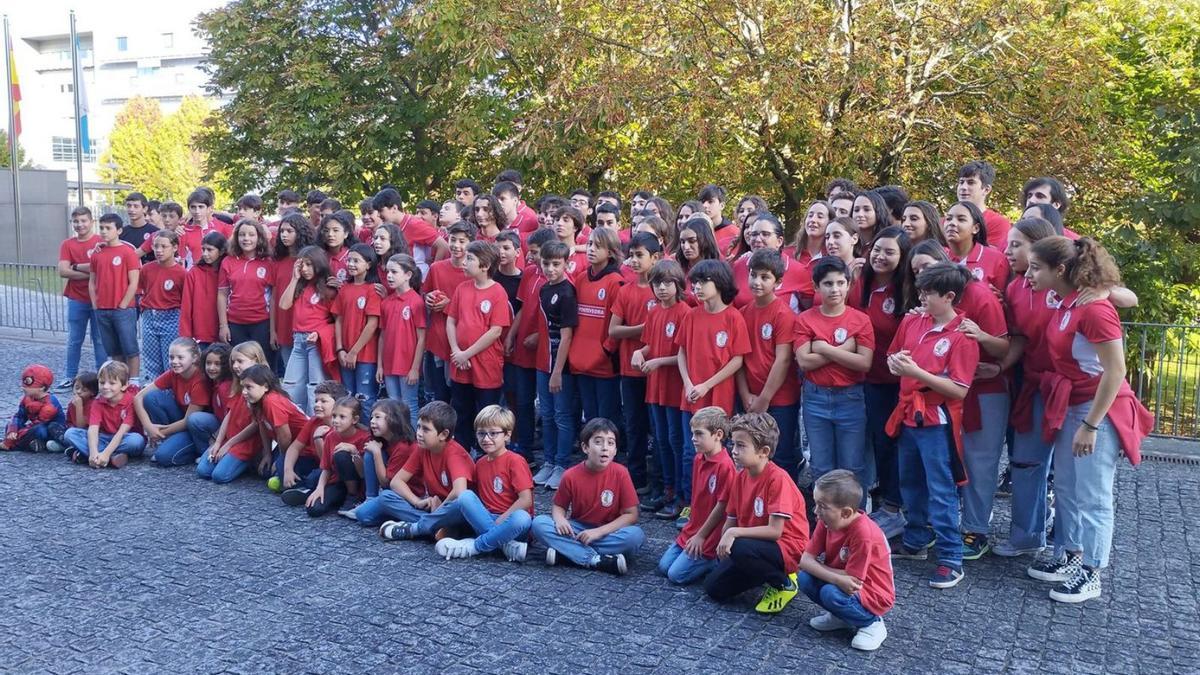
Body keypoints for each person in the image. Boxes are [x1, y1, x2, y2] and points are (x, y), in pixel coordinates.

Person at [1024, 236, 1153, 603]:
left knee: (1093, 494)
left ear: (1060, 270)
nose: (1029, 273)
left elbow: (1116, 371)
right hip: (1072, 403)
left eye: (1036, 267)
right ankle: (1072, 554)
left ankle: (1092, 571)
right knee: (1066, 486)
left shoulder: (1094, 309)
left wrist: (1091, 424)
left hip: (1098, 408)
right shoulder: (1065, 300)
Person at [886, 263, 979, 589]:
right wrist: (895, 364)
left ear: (949, 297)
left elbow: (959, 389)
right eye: (920, 290)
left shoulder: (962, 337)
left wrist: (917, 373)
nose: (921, 296)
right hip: (909, 415)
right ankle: (915, 539)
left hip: (937, 422)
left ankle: (951, 557)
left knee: (941, 490)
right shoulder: (913, 320)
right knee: (909, 482)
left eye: (928, 292)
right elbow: (893, 354)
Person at [703, 413, 809, 613]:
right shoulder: (741, 477)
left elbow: (775, 531)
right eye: (733, 444)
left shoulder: (778, 479)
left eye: (741, 446)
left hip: (786, 548)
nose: (733, 451)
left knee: (740, 547)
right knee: (714, 588)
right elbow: (731, 518)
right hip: (755, 546)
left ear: (764, 451)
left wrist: (732, 535)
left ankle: (785, 581)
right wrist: (724, 546)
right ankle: (762, 573)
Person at [675, 259, 750, 528]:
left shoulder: (733, 317)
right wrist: (686, 382)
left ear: (718, 283)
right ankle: (690, 505)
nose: (696, 287)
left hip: (717, 398)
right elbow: (681, 351)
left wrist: (706, 384)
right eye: (693, 282)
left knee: (717, 453)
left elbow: (737, 359)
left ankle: (718, 508)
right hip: (691, 395)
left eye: (702, 282)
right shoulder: (691, 315)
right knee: (689, 452)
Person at [850, 227, 912, 538]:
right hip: (865, 378)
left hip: (897, 383)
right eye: (876, 249)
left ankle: (894, 509)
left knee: (892, 445)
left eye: (889, 251)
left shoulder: (907, 290)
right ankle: (881, 505)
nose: (880, 256)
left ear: (902, 258)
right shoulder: (861, 282)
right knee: (876, 444)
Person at [795, 257, 874, 493]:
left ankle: (855, 522)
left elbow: (864, 363)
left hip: (850, 397)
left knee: (852, 466)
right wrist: (845, 348)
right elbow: (805, 361)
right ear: (817, 287)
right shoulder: (805, 319)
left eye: (841, 283)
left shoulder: (861, 320)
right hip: (815, 398)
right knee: (821, 465)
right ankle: (824, 523)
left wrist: (823, 347)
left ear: (849, 285)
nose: (835, 289)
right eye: (828, 284)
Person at [530, 417, 646, 575]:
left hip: (608, 531)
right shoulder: (571, 475)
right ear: (585, 447)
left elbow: (631, 515)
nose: (605, 448)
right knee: (539, 523)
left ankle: (566, 553)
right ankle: (596, 559)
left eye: (610, 443)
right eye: (598, 442)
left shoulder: (621, 473)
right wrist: (560, 520)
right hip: (578, 529)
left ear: (615, 450)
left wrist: (598, 532)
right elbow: (559, 507)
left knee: (635, 536)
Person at [799, 470, 894, 652]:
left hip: (873, 592)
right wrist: (836, 577)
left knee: (830, 593)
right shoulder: (826, 521)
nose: (815, 511)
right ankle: (840, 616)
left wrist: (820, 569)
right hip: (842, 583)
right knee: (804, 579)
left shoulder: (863, 532)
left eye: (822, 506)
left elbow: (852, 580)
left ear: (846, 512)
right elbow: (804, 560)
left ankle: (872, 624)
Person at [434, 405, 535, 562]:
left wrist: (500, 521)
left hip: (510, 523)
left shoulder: (516, 461)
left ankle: (474, 546)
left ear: (507, 435)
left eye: (493, 433)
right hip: (486, 518)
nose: (486, 439)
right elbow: (475, 500)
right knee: (466, 496)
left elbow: (526, 500)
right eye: (481, 433)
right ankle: (504, 545)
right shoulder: (480, 463)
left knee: (522, 518)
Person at [563, 228, 625, 477]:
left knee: (607, 418)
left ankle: (611, 467)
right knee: (589, 416)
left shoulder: (615, 282)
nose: (590, 250)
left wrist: (605, 352)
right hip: (581, 362)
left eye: (597, 246)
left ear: (610, 252)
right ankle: (590, 463)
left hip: (604, 365)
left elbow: (615, 325)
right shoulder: (579, 278)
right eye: (589, 244)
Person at [736, 249, 801, 479]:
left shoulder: (783, 314)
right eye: (753, 275)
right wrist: (745, 395)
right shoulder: (743, 313)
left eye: (765, 277)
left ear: (778, 282)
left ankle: (787, 509)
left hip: (780, 398)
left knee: (780, 456)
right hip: (751, 397)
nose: (756, 281)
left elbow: (783, 360)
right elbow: (739, 358)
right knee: (753, 455)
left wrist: (764, 398)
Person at [371, 401, 476, 539]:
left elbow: (460, 492)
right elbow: (396, 482)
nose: (419, 433)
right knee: (386, 497)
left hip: (457, 509)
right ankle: (438, 527)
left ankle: (424, 527)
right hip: (434, 506)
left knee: (459, 505)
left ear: (443, 434)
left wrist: (441, 508)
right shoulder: (422, 448)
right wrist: (417, 502)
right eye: (418, 427)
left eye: (425, 429)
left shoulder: (454, 453)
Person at [634, 260, 690, 517]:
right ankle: (667, 488)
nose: (662, 288)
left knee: (675, 440)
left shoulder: (684, 312)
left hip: (674, 388)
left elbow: (683, 354)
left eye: (668, 283)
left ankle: (681, 494)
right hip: (654, 387)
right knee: (661, 440)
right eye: (657, 283)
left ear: (678, 285)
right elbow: (650, 344)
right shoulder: (654, 311)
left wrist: (658, 360)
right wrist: (639, 352)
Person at [447, 240, 512, 451]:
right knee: (461, 411)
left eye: (470, 259)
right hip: (460, 362)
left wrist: (467, 353)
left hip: (485, 363)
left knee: (486, 413)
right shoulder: (462, 288)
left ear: (484, 266)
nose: (464, 263)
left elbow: (495, 331)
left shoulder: (497, 292)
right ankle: (463, 452)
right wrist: (457, 351)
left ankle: (486, 454)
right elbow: (451, 320)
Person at [657, 407, 735, 584]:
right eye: (693, 433)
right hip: (693, 529)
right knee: (664, 567)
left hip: (709, 536)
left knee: (675, 575)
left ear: (718, 435)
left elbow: (722, 506)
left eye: (699, 434)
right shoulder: (698, 458)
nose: (693, 438)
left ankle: (712, 561)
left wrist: (701, 536)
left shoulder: (725, 467)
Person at [609, 233, 662, 490]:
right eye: (631, 255)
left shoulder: (663, 290)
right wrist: (643, 328)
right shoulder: (626, 291)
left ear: (656, 258)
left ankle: (659, 481)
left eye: (640, 255)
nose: (634, 260)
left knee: (658, 427)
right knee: (634, 425)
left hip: (657, 370)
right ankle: (636, 477)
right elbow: (614, 331)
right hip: (630, 371)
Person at [506, 228, 557, 461]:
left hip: (544, 352)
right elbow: (522, 309)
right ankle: (524, 449)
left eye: (534, 252)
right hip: (523, 349)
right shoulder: (528, 273)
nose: (529, 256)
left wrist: (538, 335)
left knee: (549, 407)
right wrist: (511, 336)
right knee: (523, 400)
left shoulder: (555, 276)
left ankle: (551, 454)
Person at [532, 241, 579, 489]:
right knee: (547, 414)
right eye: (546, 263)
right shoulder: (543, 289)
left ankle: (562, 463)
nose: (550, 269)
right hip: (543, 361)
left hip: (560, 364)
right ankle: (548, 462)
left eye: (556, 264)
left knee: (562, 415)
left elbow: (567, 335)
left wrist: (558, 371)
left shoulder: (568, 292)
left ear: (566, 264)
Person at [197, 341, 269, 483]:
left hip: (246, 442)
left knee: (219, 476)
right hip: (230, 437)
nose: (235, 366)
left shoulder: (261, 386)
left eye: (240, 361)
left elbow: (256, 424)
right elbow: (229, 415)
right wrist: (218, 442)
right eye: (233, 361)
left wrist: (229, 444)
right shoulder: (238, 382)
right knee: (203, 471)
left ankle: (249, 461)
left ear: (255, 360)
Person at [134, 337, 212, 466]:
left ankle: (196, 450)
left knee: (163, 458)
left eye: (180, 358)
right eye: (171, 357)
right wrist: (148, 427)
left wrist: (158, 433)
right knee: (151, 397)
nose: (174, 361)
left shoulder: (200, 380)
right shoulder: (173, 373)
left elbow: (188, 421)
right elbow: (138, 397)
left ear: (195, 358)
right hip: (179, 420)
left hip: (194, 428)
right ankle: (171, 441)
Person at [279, 246, 338, 413]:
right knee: (291, 385)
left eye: (309, 265)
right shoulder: (300, 286)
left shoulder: (328, 289)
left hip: (316, 342)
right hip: (298, 340)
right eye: (302, 265)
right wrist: (294, 279)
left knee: (315, 387)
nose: (305, 269)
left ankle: (316, 425)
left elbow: (337, 321)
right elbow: (284, 305)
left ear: (319, 264)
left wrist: (320, 333)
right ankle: (296, 423)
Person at [423, 221, 476, 403]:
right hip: (438, 338)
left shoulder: (474, 272)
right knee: (440, 393)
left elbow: (474, 308)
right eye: (453, 240)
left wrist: (448, 305)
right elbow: (425, 292)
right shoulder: (436, 268)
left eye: (462, 241)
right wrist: (428, 298)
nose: (456, 245)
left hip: (463, 344)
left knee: (461, 397)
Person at [291, 395, 369, 517]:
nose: (336, 420)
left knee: (341, 455)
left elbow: (364, 474)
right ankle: (335, 497)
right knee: (313, 509)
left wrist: (354, 452)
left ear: (355, 420)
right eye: (334, 416)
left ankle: (353, 496)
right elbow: (326, 468)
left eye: (342, 417)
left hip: (360, 484)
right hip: (338, 481)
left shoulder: (365, 437)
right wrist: (320, 488)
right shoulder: (330, 436)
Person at [56, 206, 107, 390]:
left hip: (99, 299)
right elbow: (63, 271)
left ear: (91, 222)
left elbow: (104, 269)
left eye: (84, 220)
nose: (80, 225)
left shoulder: (101, 241)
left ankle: (103, 376)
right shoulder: (68, 244)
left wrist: (76, 267)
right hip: (76, 298)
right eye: (76, 221)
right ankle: (70, 375)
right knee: (74, 339)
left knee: (100, 339)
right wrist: (92, 273)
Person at [64, 360, 146, 468]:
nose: (106, 387)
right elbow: (93, 429)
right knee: (70, 434)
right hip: (104, 437)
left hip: (124, 438)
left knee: (136, 441)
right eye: (102, 383)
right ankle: (110, 458)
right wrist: (93, 453)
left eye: (112, 383)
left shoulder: (131, 401)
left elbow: (122, 431)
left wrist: (106, 453)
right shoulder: (97, 402)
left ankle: (92, 454)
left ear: (124, 385)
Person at [90, 213, 142, 381]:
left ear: (119, 230)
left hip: (123, 310)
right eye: (102, 228)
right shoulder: (97, 253)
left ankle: (133, 381)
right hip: (102, 309)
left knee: (130, 348)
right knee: (113, 350)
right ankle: (118, 380)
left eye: (108, 228)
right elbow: (92, 281)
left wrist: (123, 304)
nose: (104, 232)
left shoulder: (128, 252)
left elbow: (133, 281)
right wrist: (95, 304)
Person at [273, 379, 347, 495]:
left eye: (323, 401)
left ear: (337, 404)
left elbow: (328, 464)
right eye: (316, 400)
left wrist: (318, 439)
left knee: (315, 477)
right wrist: (288, 470)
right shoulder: (314, 421)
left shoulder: (340, 427)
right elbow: (295, 447)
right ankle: (297, 486)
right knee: (282, 461)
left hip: (328, 468)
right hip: (312, 461)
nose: (317, 405)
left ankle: (303, 489)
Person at [377, 254, 426, 429]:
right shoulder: (386, 303)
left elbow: (422, 338)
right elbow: (382, 335)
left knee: (409, 406)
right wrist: (380, 366)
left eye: (394, 272)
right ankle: (398, 442)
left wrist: (414, 368)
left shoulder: (416, 302)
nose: (389, 276)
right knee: (393, 406)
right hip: (389, 364)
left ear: (408, 275)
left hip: (407, 365)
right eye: (387, 271)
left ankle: (412, 442)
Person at [332, 244, 382, 409]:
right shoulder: (344, 289)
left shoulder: (372, 290)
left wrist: (354, 351)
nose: (351, 264)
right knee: (347, 397)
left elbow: (372, 323)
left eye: (356, 261)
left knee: (365, 399)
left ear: (368, 264)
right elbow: (338, 319)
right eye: (349, 260)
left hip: (365, 355)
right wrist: (340, 349)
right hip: (345, 354)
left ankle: (367, 434)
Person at [270, 213, 317, 374]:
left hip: (305, 324)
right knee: (291, 374)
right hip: (283, 321)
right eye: (282, 231)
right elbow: (274, 297)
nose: (284, 235)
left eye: (289, 231)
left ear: (300, 232)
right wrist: (273, 330)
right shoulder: (278, 261)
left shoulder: (310, 260)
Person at [138, 230, 187, 378]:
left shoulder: (181, 273)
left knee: (170, 356)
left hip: (171, 317)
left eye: (163, 246)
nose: (159, 250)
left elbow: (185, 299)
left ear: (174, 248)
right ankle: (152, 387)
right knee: (150, 357)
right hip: (150, 316)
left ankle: (170, 389)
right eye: (156, 246)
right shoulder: (146, 269)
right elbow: (143, 289)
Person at [942, 200, 1011, 294]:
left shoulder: (996, 259)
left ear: (976, 228)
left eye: (961, 219)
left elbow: (1002, 301)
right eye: (948, 219)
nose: (952, 223)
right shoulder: (938, 256)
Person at [357, 398, 416, 505]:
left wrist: (377, 453)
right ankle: (370, 499)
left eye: (377, 417)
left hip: (404, 495)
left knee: (364, 515)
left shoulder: (404, 447)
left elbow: (386, 483)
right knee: (370, 452)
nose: (372, 421)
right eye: (371, 417)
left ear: (394, 419)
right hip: (389, 491)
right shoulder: (384, 439)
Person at [185, 343, 233, 464]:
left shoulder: (225, 387)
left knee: (195, 419)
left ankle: (210, 453)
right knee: (196, 419)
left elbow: (230, 418)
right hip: (218, 423)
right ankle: (205, 452)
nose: (211, 368)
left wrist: (216, 438)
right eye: (208, 363)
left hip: (228, 430)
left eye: (217, 364)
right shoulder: (212, 382)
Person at [2, 365, 65, 453]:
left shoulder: (50, 405)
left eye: (28, 386)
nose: (23, 387)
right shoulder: (27, 398)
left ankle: (13, 446)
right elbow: (19, 416)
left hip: (48, 430)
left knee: (39, 431)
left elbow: (38, 424)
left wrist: (12, 439)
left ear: (42, 387)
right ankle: (32, 443)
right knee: (11, 424)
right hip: (35, 427)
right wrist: (13, 430)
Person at [180, 231, 227, 349]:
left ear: (221, 251)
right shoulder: (194, 272)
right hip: (200, 334)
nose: (205, 254)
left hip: (224, 332)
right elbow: (186, 305)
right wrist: (185, 335)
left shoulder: (227, 271)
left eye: (210, 250)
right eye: (203, 249)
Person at [956, 160, 1010, 248]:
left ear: (986, 190)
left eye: (971, 182)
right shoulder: (944, 222)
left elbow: (988, 257)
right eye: (961, 182)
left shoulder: (998, 223)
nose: (963, 187)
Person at [48, 371, 98, 454]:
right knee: (53, 426)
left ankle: (68, 446)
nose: (79, 391)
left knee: (72, 434)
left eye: (84, 390)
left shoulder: (93, 404)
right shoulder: (72, 403)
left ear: (92, 392)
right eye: (77, 388)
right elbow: (69, 421)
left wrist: (79, 407)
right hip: (72, 431)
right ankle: (69, 445)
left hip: (86, 434)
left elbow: (81, 426)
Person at [120, 192, 159, 261]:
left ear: (145, 209)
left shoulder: (155, 232)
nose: (131, 209)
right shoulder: (120, 232)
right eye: (129, 206)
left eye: (136, 206)